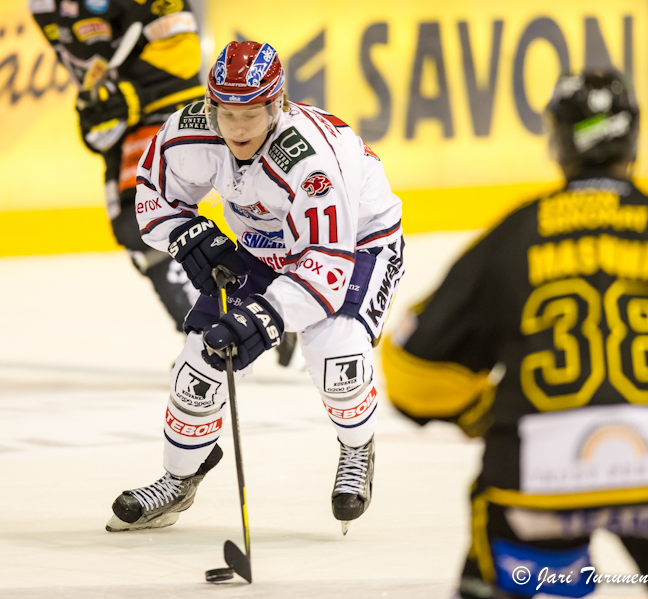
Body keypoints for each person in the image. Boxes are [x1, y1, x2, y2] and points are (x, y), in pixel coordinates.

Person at [105, 40, 404, 533]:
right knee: (200, 367)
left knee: (338, 358)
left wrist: (265, 319)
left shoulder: (312, 162)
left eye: (252, 114)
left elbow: (327, 265)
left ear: (278, 104)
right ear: (210, 106)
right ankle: (178, 479)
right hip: (261, 245)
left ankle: (357, 446)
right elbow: (153, 195)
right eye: (226, 114)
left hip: (355, 243)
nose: (238, 129)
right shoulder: (188, 133)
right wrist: (187, 234)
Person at [381, 69, 648, 597]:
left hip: (539, 487)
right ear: (632, 136)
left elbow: (412, 367)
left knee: (504, 580)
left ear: (557, 141)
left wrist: (477, 413)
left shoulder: (515, 235)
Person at [29, 0, 205, 328]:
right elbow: (85, 63)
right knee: (134, 230)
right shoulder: (42, 6)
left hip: (168, 105)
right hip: (126, 118)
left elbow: (183, 55)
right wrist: (97, 105)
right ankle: (207, 334)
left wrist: (126, 96)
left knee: (147, 219)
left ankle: (258, 310)